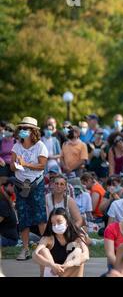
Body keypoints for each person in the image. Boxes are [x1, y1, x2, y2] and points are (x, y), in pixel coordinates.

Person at [10, 117, 48, 261]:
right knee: (23, 217)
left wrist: (25, 164)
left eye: (26, 129)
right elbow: (12, 166)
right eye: (22, 129)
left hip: (35, 184)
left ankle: (44, 249)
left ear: (33, 131)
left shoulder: (40, 146)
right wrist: (16, 165)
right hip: (20, 184)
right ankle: (25, 249)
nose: (23, 131)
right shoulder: (16, 146)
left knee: (40, 217)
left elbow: (42, 166)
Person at [33, 208, 89, 277]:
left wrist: (71, 263)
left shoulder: (77, 237)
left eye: (59, 222)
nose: (56, 226)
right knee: (43, 250)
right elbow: (35, 254)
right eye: (53, 223)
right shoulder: (48, 238)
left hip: (69, 272)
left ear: (67, 221)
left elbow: (86, 255)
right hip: (52, 273)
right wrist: (52, 265)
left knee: (78, 251)